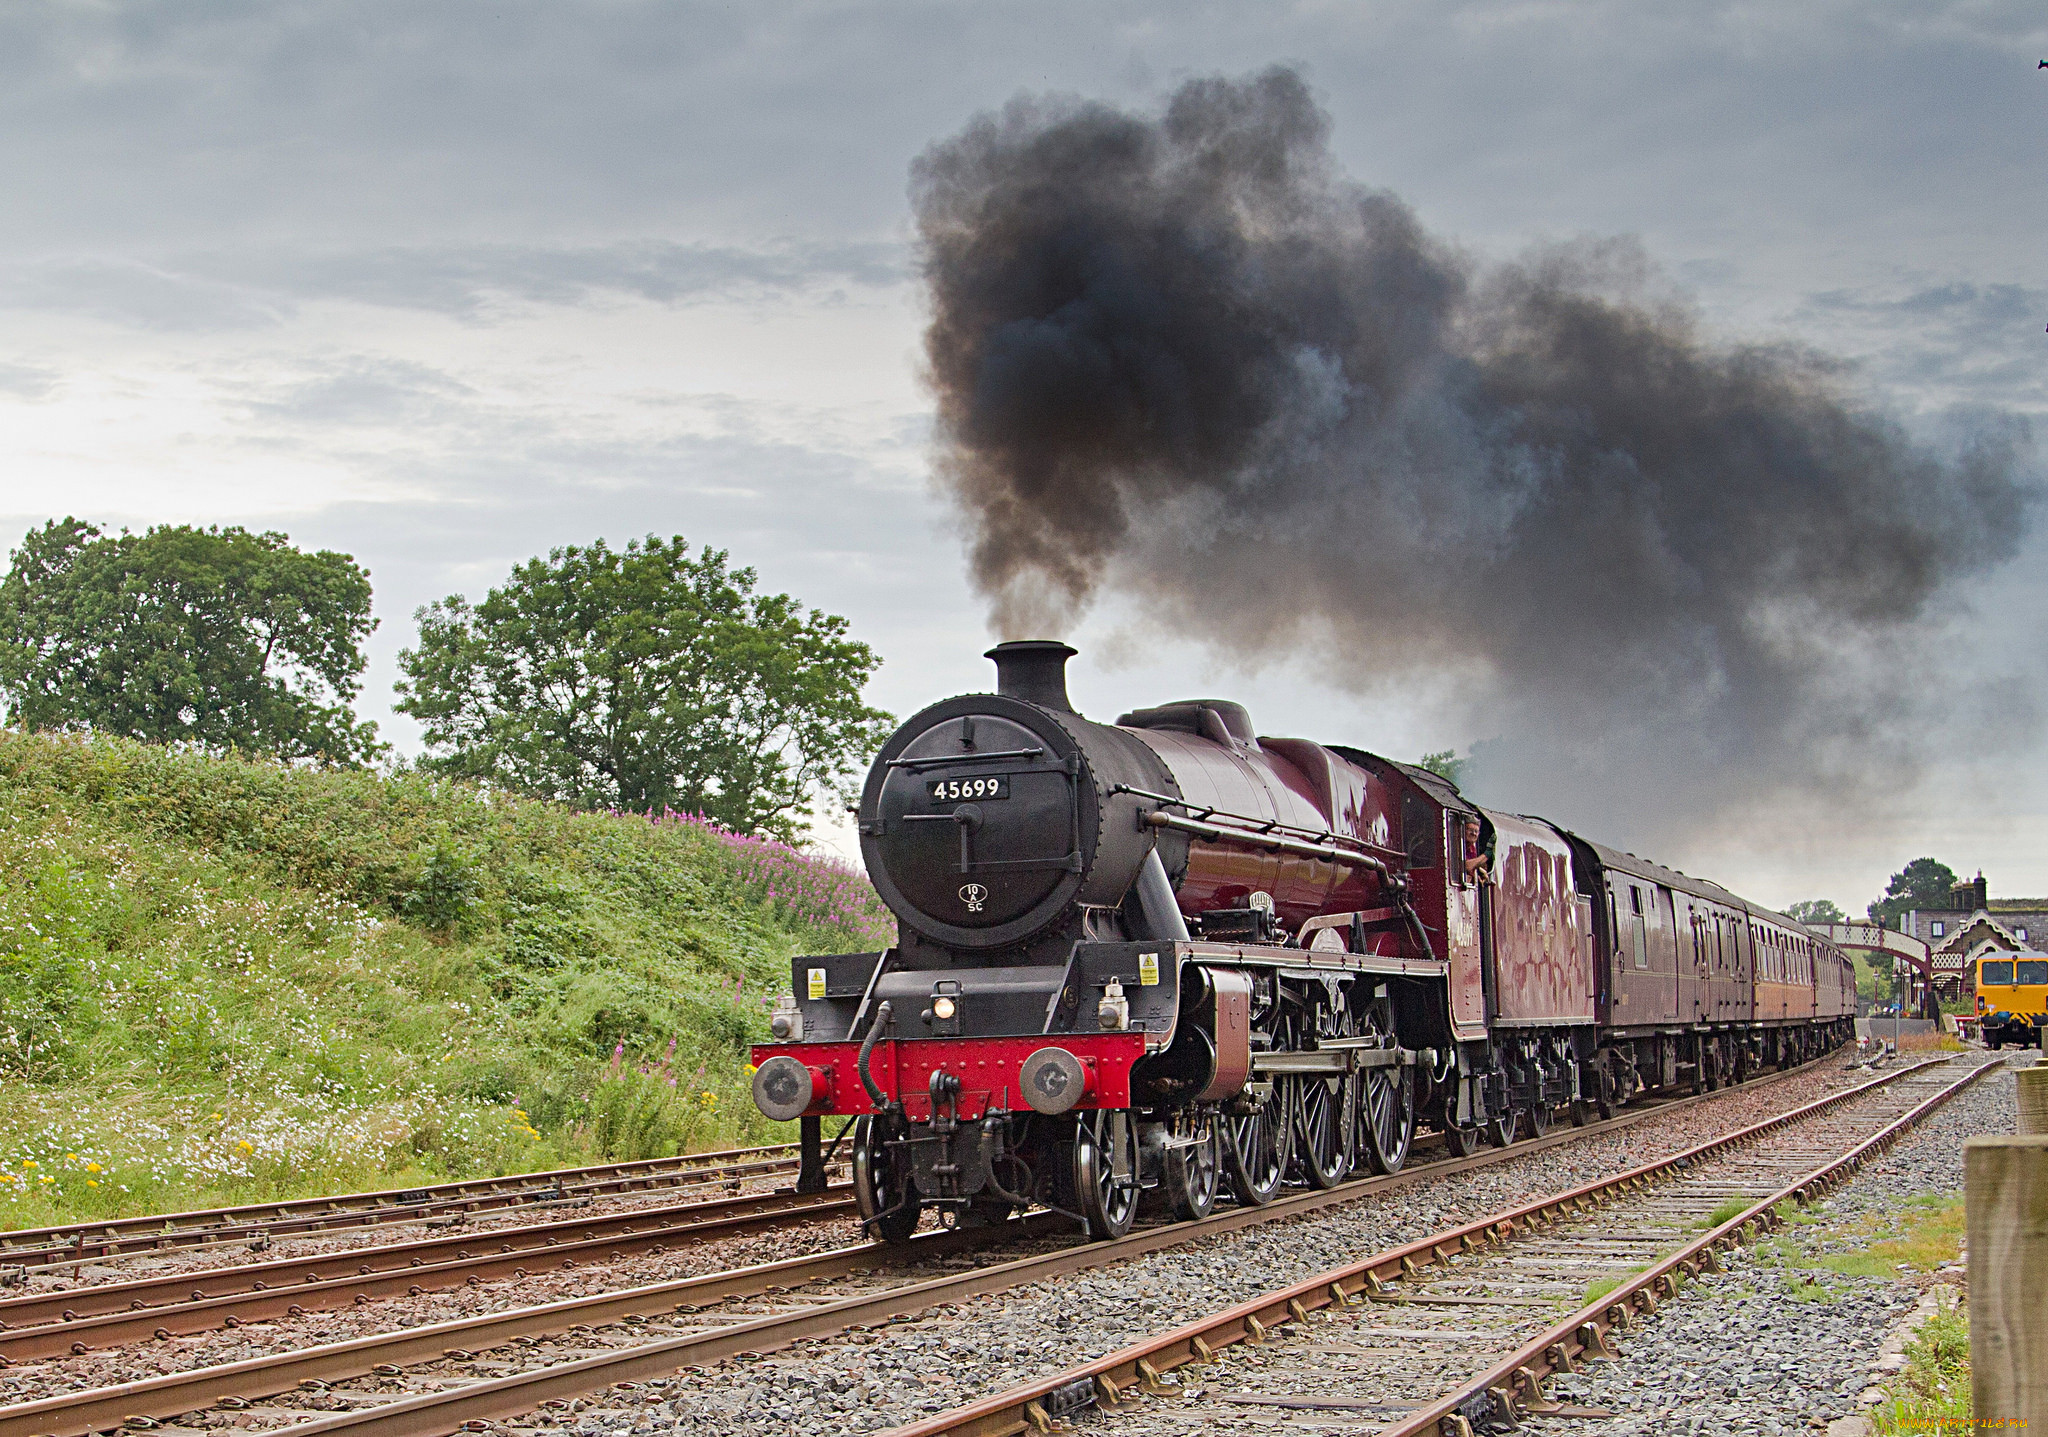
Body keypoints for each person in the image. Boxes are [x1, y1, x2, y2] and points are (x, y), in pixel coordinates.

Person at [1461, 817, 1491, 886]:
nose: (1474, 833)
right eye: (1470, 830)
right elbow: (1465, 866)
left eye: (1476, 831)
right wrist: (1486, 854)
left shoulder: (1472, 848)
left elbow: (1472, 866)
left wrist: (1479, 871)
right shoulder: (1457, 845)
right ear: (1463, 830)